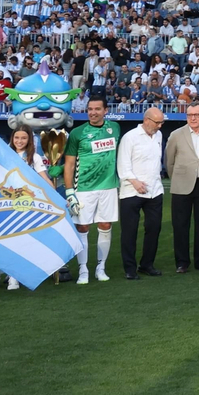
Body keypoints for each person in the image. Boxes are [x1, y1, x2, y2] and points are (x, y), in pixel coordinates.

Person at [64, 96, 123, 284]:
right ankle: (83, 270)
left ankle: (101, 267)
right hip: (83, 188)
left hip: (108, 187)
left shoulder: (114, 128)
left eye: (97, 109)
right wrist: (69, 191)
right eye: (90, 109)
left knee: (105, 225)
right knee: (82, 227)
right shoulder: (77, 133)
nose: (93, 112)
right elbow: (69, 164)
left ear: (106, 110)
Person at [0, 127, 45, 290]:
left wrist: (59, 198)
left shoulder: (34, 157)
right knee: (0, 241)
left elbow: (44, 179)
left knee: (19, 241)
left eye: (23, 138)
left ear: (29, 140)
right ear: (12, 138)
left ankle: (14, 276)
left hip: (25, 205)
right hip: (4, 203)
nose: (19, 141)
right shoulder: (2, 155)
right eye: (17, 137)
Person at [165, 103, 199, 273]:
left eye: (196, 114)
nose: (193, 118)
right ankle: (182, 262)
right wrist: (178, 178)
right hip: (181, 185)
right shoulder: (176, 135)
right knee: (180, 225)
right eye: (189, 115)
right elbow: (169, 161)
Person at [115, 106, 167, 280]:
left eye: (162, 122)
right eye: (158, 122)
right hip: (131, 192)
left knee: (154, 228)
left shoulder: (158, 135)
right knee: (129, 231)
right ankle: (130, 269)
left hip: (155, 191)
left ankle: (147, 264)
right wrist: (135, 182)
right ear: (146, 120)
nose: (160, 126)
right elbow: (122, 164)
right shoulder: (129, 137)